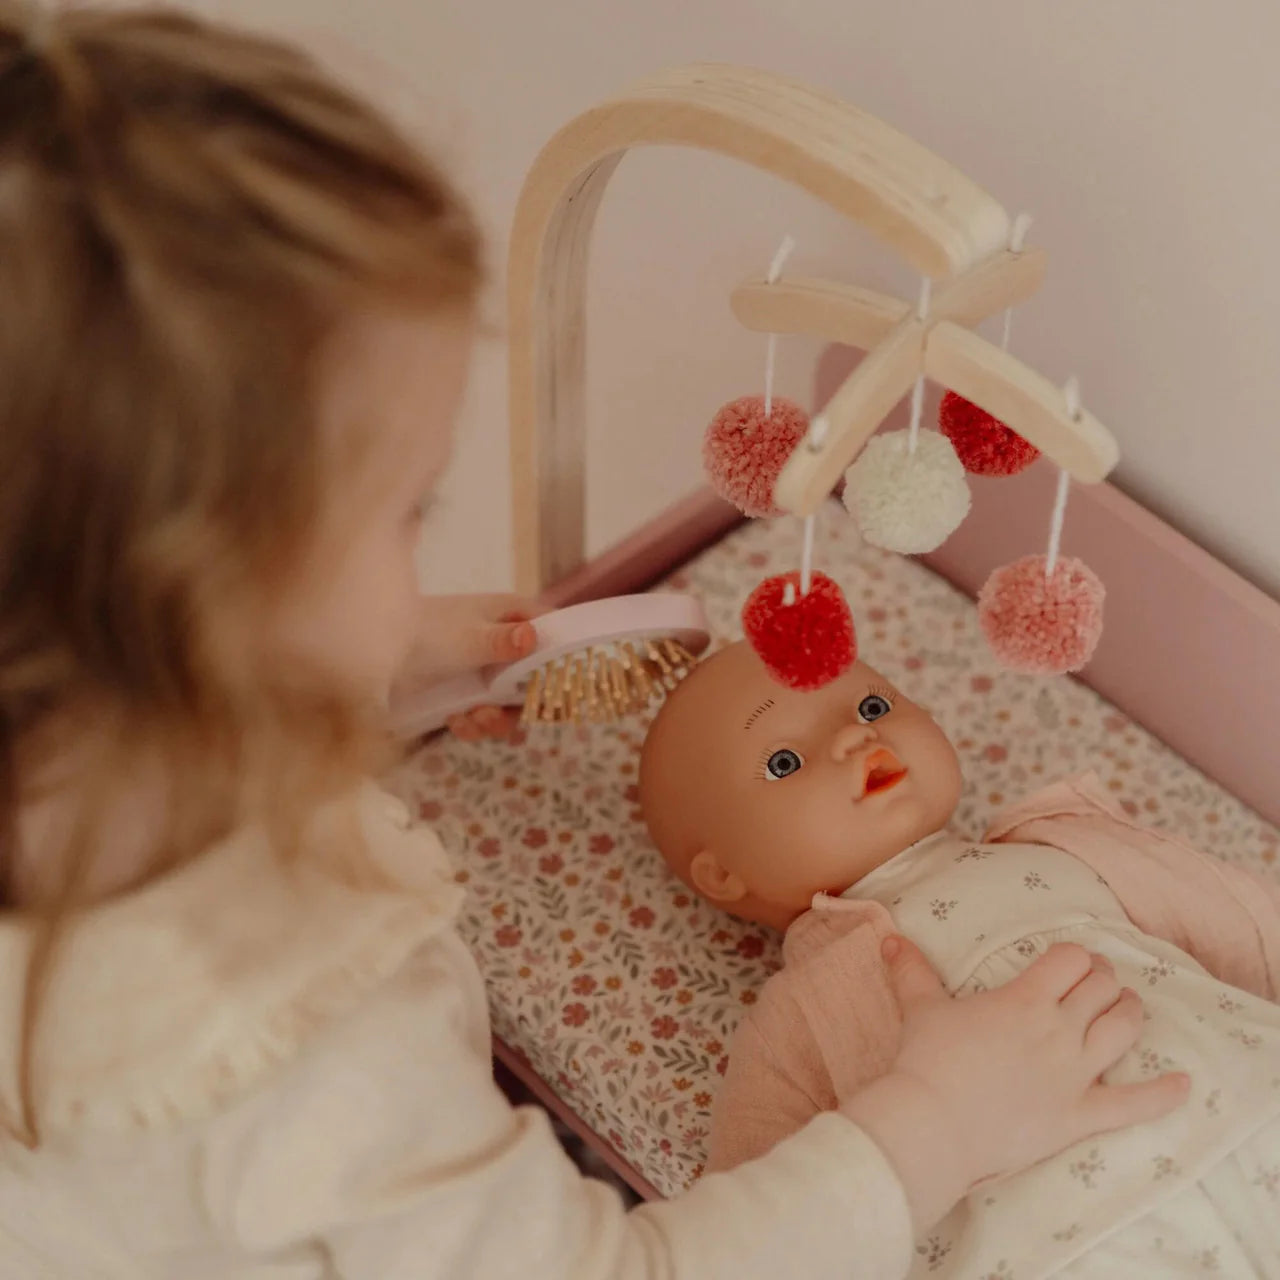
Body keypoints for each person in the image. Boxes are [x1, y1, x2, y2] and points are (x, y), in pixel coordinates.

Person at [0, 6, 1186, 1277]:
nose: (852, 737)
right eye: (411, 512)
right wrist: (930, 1125)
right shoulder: (312, 1040)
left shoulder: (71, 727)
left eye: (866, 703)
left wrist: (359, 677)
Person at [639, 640, 1280, 1275]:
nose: (855, 737)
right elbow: (761, 1221)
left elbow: (1234, 919)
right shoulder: (800, 1013)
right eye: (784, 762)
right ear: (722, 876)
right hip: (1075, 1238)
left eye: (869, 706)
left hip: (1248, 1096)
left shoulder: (1059, 842)